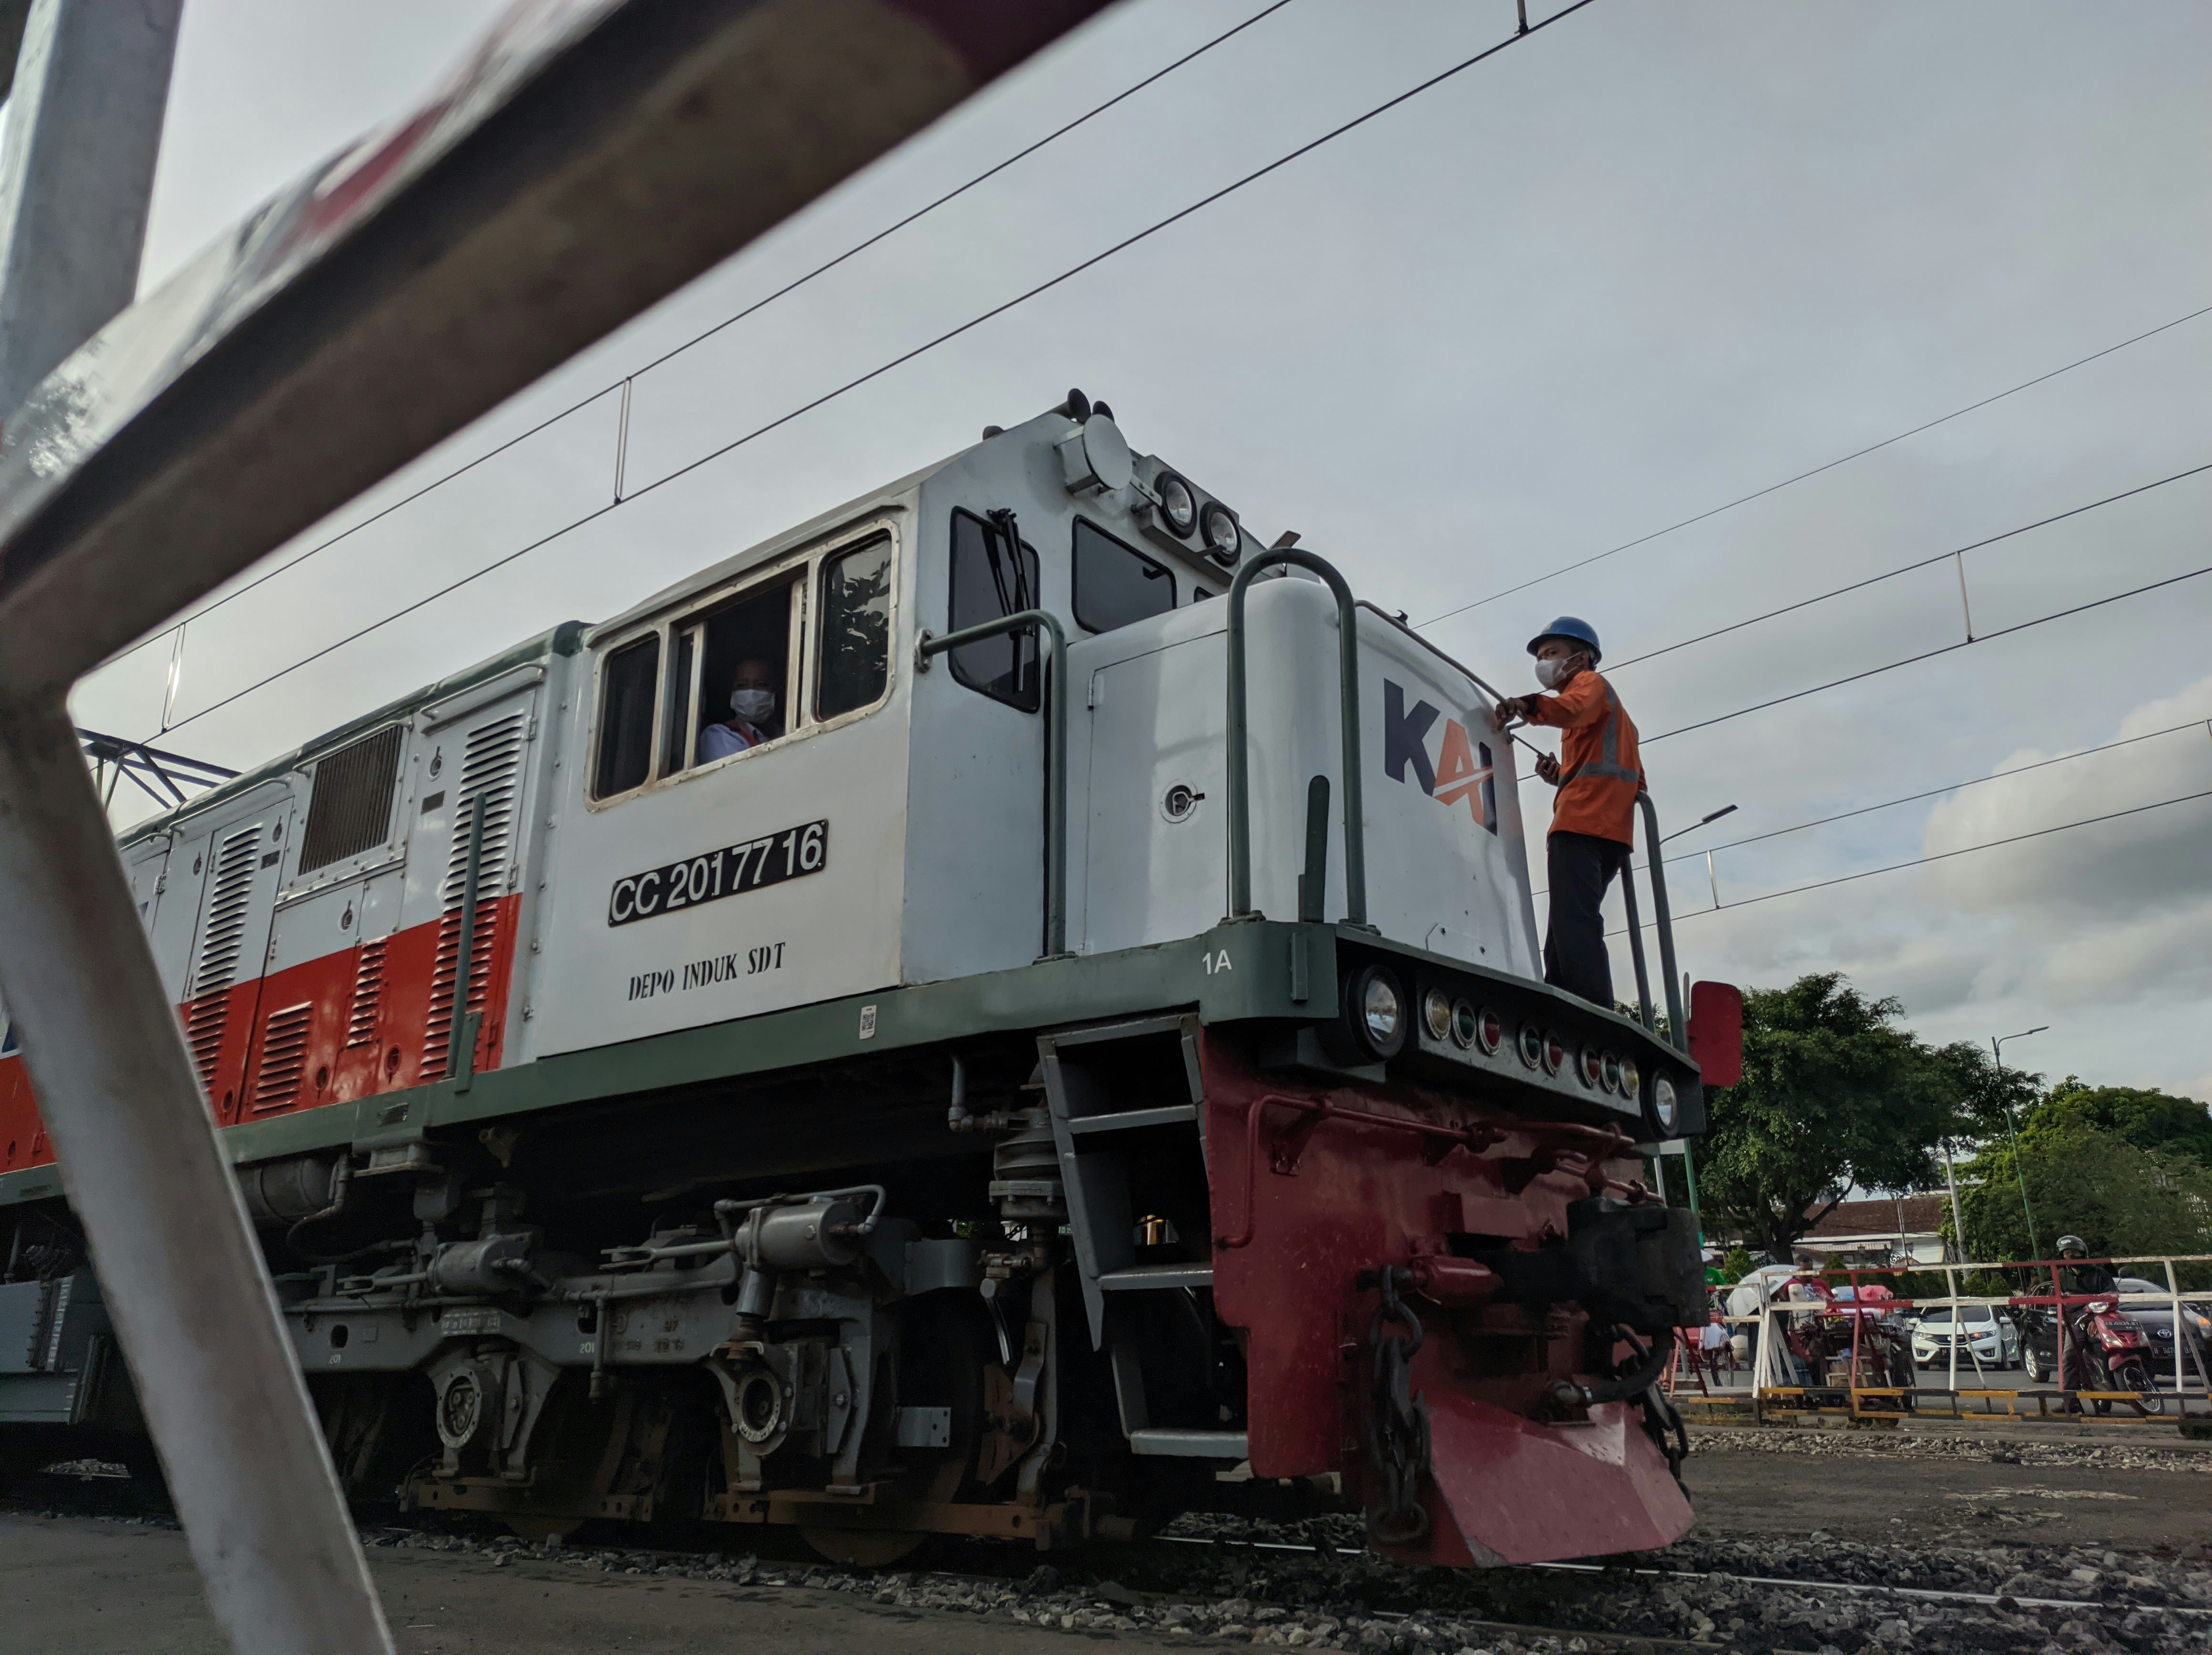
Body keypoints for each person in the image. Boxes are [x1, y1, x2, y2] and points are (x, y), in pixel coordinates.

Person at [1493, 617, 1644, 1006]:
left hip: (1581, 825)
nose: (1544, 662)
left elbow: (1568, 710)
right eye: (1541, 656)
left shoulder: (1589, 686)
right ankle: (1559, 1001)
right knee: (1565, 926)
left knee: (1573, 926)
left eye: (1551, 653)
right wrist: (1560, 776)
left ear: (1580, 658)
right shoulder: (1614, 712)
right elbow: (1618, 774)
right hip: (1610, 831)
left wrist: (1522, 705)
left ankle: (1589, 1009)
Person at [699, 658, 779, 762]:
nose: (751, 692)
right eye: (742, 685)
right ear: (732, 693)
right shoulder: (720, 735)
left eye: (761, 684)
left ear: (776, 691)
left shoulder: (784, 733)